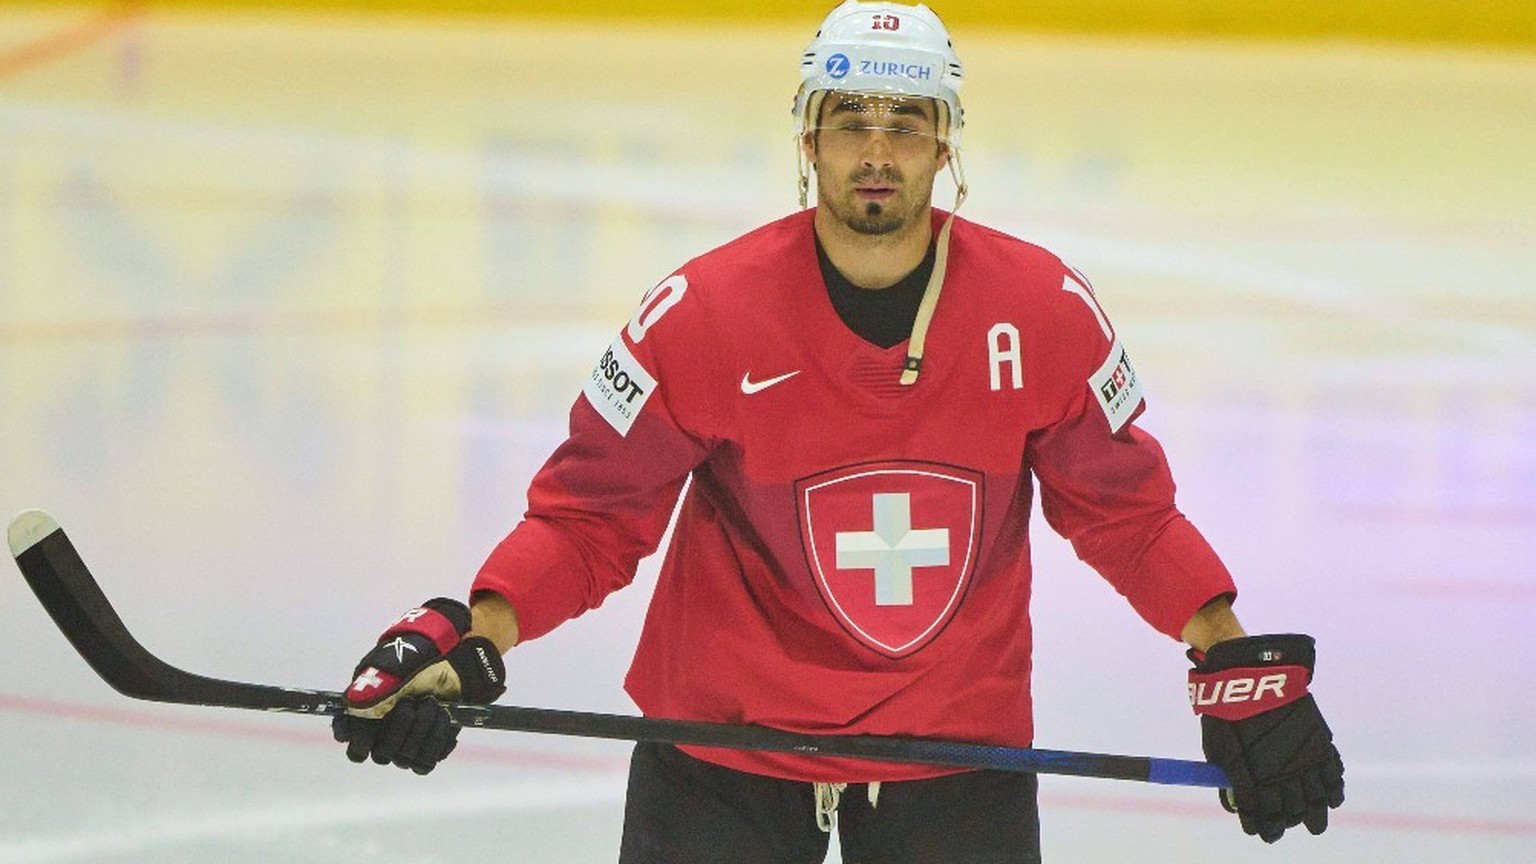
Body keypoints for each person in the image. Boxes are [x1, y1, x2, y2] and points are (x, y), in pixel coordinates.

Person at [331, 2, 1346, 861]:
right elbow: (590, 517)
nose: (876, 150)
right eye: (848, 118)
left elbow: (1126, 514)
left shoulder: (1042, 311)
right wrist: (472, 635)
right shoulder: (703, 314)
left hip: (955, 754)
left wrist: (1227, 654)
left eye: (908, 121)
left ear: (947, 143)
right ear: (806, 137)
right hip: (720, 752)